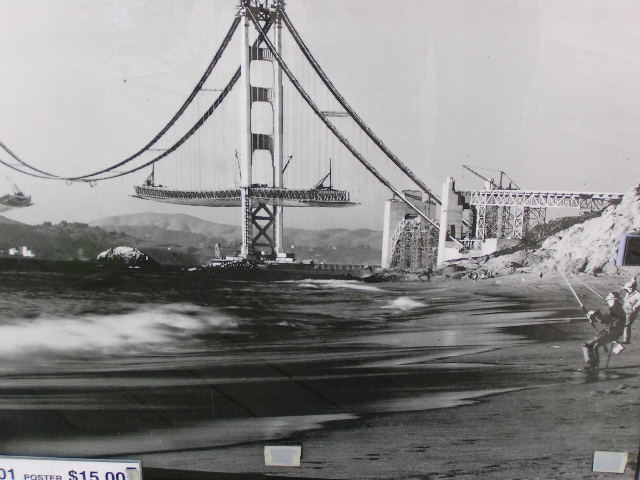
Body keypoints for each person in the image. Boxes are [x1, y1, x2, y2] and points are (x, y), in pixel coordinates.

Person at [580, 292, 626, 370]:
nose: (608, 302)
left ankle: (592, 365)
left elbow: (604, 320)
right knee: (593, 346)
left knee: (587, 345)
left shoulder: (616, 309)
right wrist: (589, 313)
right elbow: (605, 319)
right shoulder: (617, 309)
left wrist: (593, 314)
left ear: (614, 300)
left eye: (609, 300)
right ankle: (593, 365)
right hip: (611, 332)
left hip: (610, 333)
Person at [621, 277, 640, 344]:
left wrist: (635, 306)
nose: (626, 291)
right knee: (625, 324)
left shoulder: (637, 294)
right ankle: (625, 339)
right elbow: (625, 300)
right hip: (625, 311)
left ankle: (626, 340)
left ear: (630, 288)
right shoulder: (628, 293)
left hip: (631, 312)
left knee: (626, 325)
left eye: (627, 289)